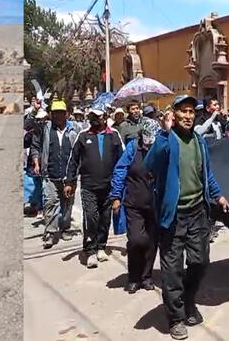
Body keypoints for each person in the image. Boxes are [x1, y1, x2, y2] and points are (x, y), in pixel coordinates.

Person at [144, 95, 229, 340]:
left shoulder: (199, 142)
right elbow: (149, 164)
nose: (188, 116)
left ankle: (188, 300)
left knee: (200, 261)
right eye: (183, 111)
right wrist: (163, 132)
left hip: (197, 213)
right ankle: (176, 318)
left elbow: (206, 174)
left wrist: (218, 195)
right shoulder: (166, 140)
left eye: (192, 111)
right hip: (172, 217)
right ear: (174, 113)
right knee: (172, 270)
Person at [65, 103, 125, 268]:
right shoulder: (83, 136)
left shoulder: (114, 136)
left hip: (109, 186)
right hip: (88, 186)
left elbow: (123, 160)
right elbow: (73, 160)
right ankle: (90, 250)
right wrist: (69, 181)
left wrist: (122, 184)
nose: (94, 119)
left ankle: (101, 247)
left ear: (104, 117)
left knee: (106, 219)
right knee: (91, 217)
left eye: (97, 116)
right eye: (92, 116)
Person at [110, 126, 158, 293]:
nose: (148, 148)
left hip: (155, 205)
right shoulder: (132, 147)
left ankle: (146, 277)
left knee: (152, 242)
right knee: (137, 240)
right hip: (134, 204)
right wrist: (116, 196)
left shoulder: (159, 146)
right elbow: (120, 170)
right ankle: (134, 277)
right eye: (146, 144)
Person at [31, 101, 79, 249]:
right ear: (51, 114)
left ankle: (65, 228)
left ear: (66, 114)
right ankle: (50, 233)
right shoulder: (44, 129)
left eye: (60, 112)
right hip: (50, 175)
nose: (58, 115)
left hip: (69, 176)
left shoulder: (74, 129)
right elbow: (35, 146)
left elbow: (79, 151)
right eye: (55, 112)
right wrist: (37, 163)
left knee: (67, 204)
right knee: (50, 204)